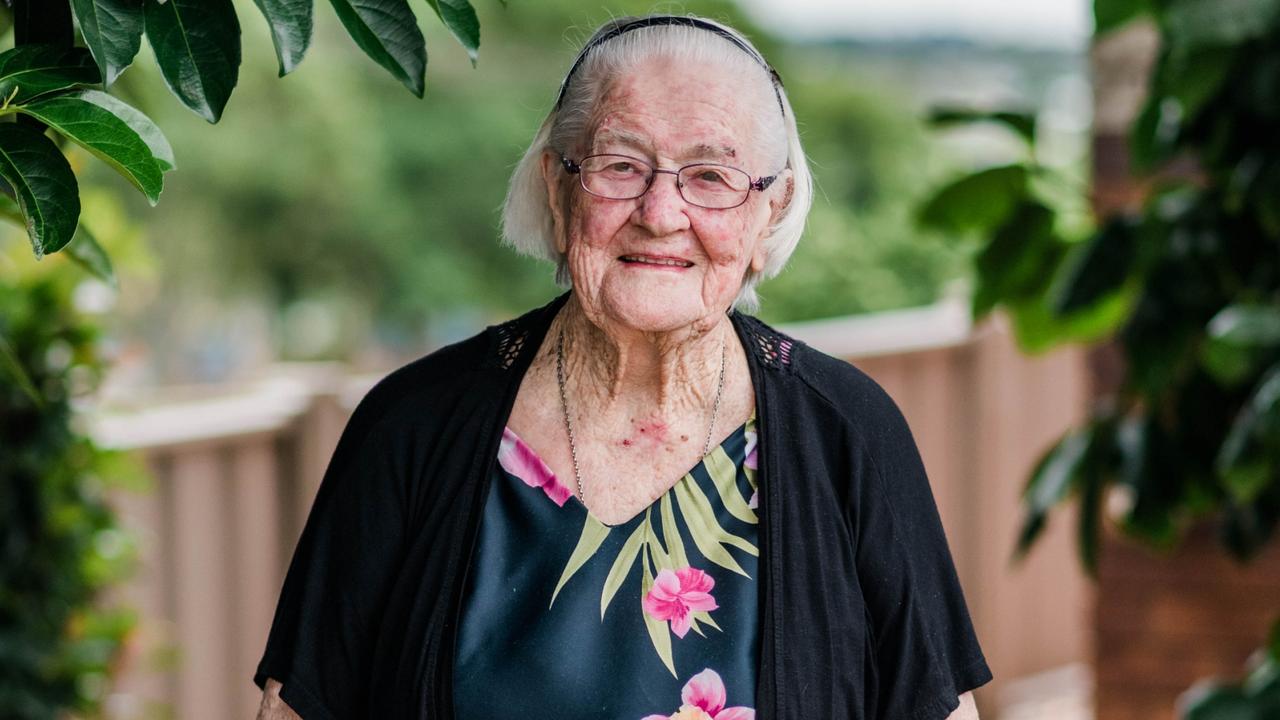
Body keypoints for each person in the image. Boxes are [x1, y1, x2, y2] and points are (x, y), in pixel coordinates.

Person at [255, 14, 990, 720]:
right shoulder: (413, 424)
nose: (661, 211)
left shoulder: (846, 431)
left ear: (771, 211)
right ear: (556, 184)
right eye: (621, 165)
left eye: (711, 176)